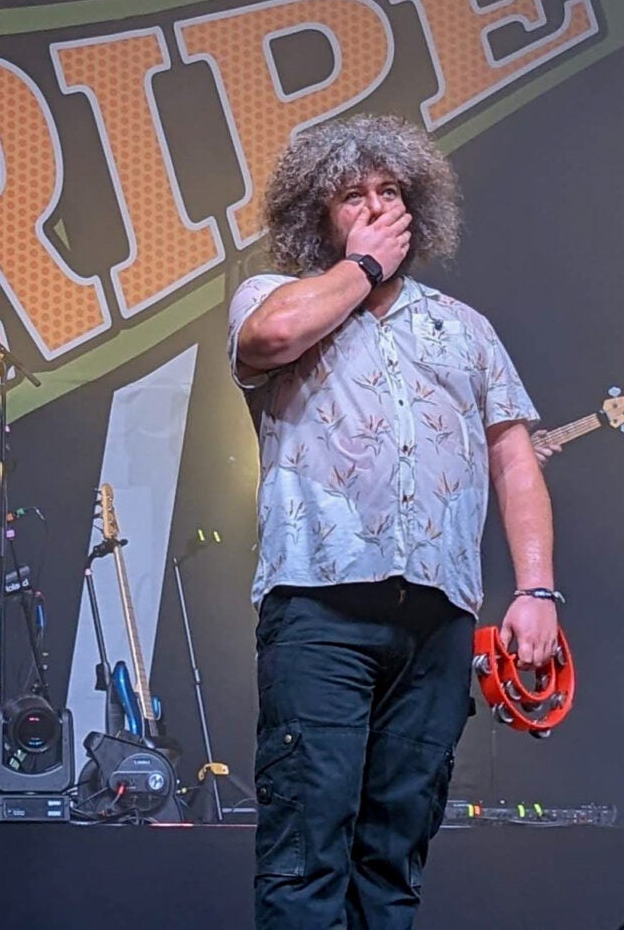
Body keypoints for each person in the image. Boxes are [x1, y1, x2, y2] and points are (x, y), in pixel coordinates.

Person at [228, 114, 560, 930]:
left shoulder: (466, 328)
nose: (379, 209)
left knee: (395, 856)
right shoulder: (274, 297)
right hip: (320, 608)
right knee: (308, 844)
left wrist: (538, 591)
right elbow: (271, 338)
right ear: (319, 214)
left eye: (390, 194)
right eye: (353, 196)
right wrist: (362, 266)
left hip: (438, 618)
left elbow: (515, 460)